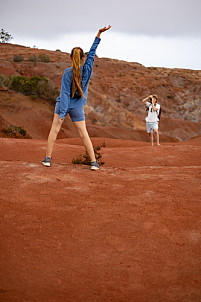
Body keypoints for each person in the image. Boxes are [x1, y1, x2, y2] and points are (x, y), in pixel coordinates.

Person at [42, 25, 111, 170]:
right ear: (83, 58)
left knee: (54, 130)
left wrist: (62, 113)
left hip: (64, 105)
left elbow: (65, 94)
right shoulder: (87, 69)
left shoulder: (67, 72)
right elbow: (92, 52)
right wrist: (98, 34)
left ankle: (47, 159)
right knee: (83, 134)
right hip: (77, 106)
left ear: (70, 57)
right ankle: (94, 163)